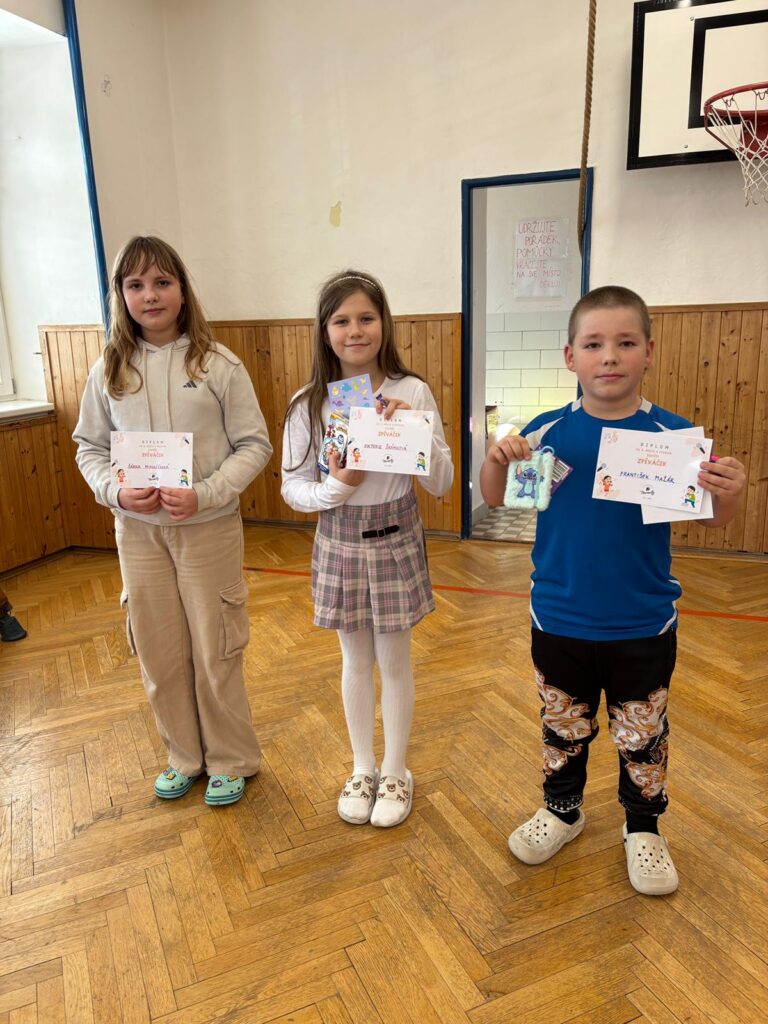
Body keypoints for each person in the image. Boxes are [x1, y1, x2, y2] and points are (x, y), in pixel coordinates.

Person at [479, 285, 745, 895]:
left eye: (625, 343)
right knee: (562, 726)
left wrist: (729, 492)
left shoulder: (673, 438)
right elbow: (496, 498)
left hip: (642, 623)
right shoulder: (546, 433)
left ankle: (643, 827)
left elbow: (713, 520)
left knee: (643, 734)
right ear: (569, 356)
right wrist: (495, 458)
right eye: (593, 344)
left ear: (648, 352)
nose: (609, 356)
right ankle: (562, 811)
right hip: (558, 619)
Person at [73, 236, 272, 806]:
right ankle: (184, 756)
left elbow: (254, 445)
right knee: (158, 650)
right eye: (135, 285)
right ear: (121, 296)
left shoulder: (217, 365)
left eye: (162, 282)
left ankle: (231, 758)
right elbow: (89, 447)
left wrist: (206, 494)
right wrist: (115, 491)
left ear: (182, 290)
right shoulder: (108, 370)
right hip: (138, 536)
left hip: (207, 530)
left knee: (216, 647)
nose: (150, 295)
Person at [281, 269, 453, 828]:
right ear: (324, 331)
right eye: (341, 320)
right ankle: (363, 767)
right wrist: (339, 486)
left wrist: (416, 434)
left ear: (384, 324)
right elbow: (293, 489)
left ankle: (396, 771)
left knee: (395, 661)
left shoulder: (412, 391)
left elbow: (442, 483)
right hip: (339, 538)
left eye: (366, 318)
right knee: (354, 660)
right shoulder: (309, 402)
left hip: (396, 534)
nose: (355, 330)